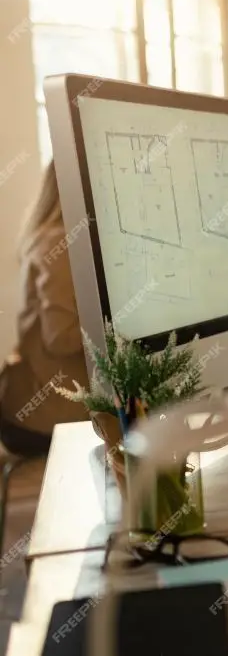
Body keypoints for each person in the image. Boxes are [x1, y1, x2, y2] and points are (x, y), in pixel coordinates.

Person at [0, 161, 89, 456]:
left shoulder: (48, 235)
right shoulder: (59, 241)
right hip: (47, 416)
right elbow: (60, 337)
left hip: (29, 404)